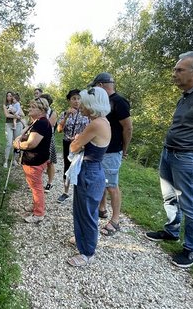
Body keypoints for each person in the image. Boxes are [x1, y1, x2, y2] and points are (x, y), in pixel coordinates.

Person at [145, 50, 193, 268]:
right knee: (169, 197)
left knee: (189, 203)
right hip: (169, 153)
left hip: (187, 157)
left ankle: (192, 250)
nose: (174, 74)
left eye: (179, 70)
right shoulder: (187, 95)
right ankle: (171, 231)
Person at [66, 87, 111, 267]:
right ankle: (81, 238)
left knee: (86, 212)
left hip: (89, 172)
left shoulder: (96, 124)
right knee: (82, 209)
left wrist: (77, 141)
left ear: (92, 104)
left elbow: (74, 147)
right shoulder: (103, 121)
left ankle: (87, 253)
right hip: (92, 169)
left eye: (83, 102)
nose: (80, 105)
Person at [87, 72, 133, 236]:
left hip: (112, 151)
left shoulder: (119, 102)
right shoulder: (104, 101)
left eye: (94, 87)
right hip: (101, 149)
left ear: (100, 85)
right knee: (103, 181)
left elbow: (127, 128)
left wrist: (124, 149)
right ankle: (102, 208)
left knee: (112, 185)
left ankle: (115, 220)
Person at [13, 97, 52, 223]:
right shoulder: (37, 122)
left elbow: (31, 144)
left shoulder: (41, 123)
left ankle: (38, 213)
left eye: (33, 107)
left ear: (41, 110)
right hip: (35, 159)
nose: (29, 109)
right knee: (34, 185)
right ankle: (36, 205)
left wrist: (17, 145)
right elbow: (30, 137)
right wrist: (23, 137)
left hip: (35, 160)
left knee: (36, 187)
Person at [56, 89, 90, 203]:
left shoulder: (86, 113)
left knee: (81, 166)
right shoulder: (64, 113)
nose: (76, 101)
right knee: (67, 166)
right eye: (74, 99)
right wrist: (66, 117)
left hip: (82, 144)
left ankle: (80, 193)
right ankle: (65, 192)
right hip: (67, 143)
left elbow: (90, 129)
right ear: (69, 101)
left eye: (79, 99)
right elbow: (59, 130)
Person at [41, 93, 57, 193]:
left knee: (50, 162)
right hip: (38, 138)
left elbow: (49, 125)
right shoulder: (38, 112)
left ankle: (49, 183)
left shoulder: (53, 113)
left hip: (48, 139)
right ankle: (38, 182)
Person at [3, 91, 23, 168]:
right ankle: (6, 160)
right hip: (8, 124)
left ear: (13, 97)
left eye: (10, 96)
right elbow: (7, 115)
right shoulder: (5, 105)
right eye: (7, 96)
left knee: (16, 142)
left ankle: (13, 159)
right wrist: (16, 116)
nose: (9, 97)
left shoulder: (17, 104)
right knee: (9, 143)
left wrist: (18, 116)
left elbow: (22, 114)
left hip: (17, 124)